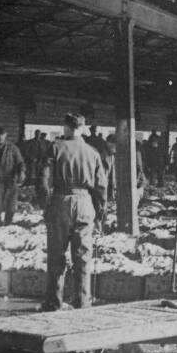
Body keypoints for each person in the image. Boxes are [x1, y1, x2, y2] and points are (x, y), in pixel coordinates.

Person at [42, 113, 108, 311]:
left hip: (61, 201)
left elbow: (43, 181)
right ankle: (82, 302)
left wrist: (46, 206)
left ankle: (54, 303)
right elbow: (101, 187)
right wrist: (99, 214)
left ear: (66, 127)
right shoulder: (92, 152)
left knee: (56, 255)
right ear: (83, 127)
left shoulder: (55, 148)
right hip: (85, 203)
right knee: (83, 256)